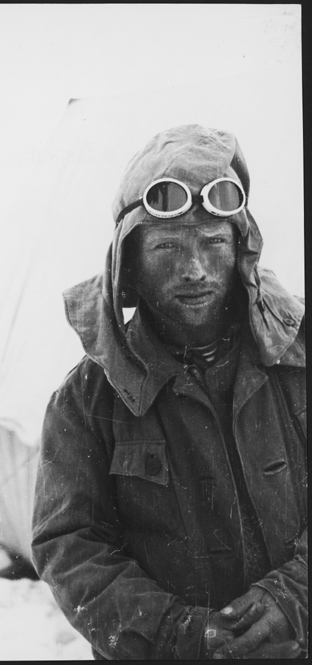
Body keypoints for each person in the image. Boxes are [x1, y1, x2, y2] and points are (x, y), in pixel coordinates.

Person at [31, 125, 307, 659]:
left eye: (213, 242)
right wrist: (180, 635)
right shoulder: (87, 399)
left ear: (241, 248)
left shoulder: (297, 357)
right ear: (129, 264)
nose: (194, 270)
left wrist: (294, 596)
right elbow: (69, 546)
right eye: (167, 246)